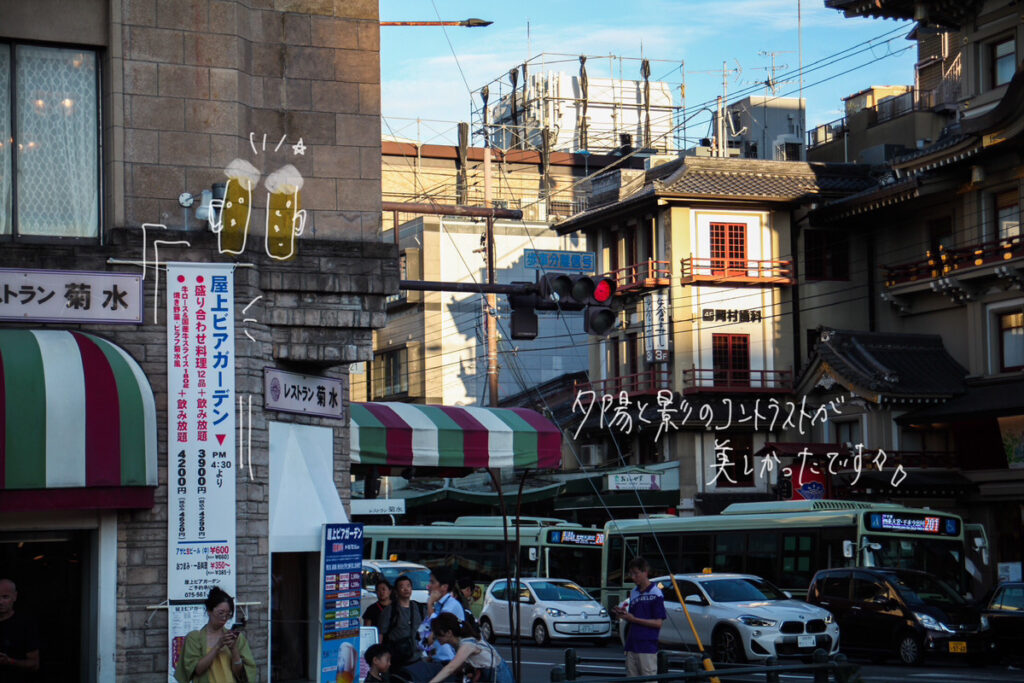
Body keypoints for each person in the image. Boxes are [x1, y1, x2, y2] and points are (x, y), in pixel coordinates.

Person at [174, 587, 258, 683]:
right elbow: (197, 670)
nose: (224, 618)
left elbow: (240, 674)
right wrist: (218, 646)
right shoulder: (194, 638)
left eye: (228, 614)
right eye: (220, 613)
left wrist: (234, 650)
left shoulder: (236, 638)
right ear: (209, 610)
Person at [403, 569, 467, 682]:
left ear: (444, 587)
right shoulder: (439, 605)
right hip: (435, 659)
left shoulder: (451, 605)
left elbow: (437, 627)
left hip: (448, 660)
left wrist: (429, 604)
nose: (429, 586)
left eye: (432, 582)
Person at [612, 557, 665, 679]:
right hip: (632, 644)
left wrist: (633, 619)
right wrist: (623, 615)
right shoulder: (634, 592)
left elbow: (658, 623)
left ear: (645, 572)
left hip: (647, 645)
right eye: (631, 574)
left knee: (648, 678)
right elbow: (632, 617)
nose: (633, 577)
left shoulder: (656, 593)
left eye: (636, 573)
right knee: (631, 677)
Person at [426, 613, 513, 683]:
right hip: (488, 674)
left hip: (498, 675)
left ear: (449, 633)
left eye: (438, 634)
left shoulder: (466, 644)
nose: (436, 638)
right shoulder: (460, 642)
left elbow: (451, 667)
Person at [377, 575, 426, 677]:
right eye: (402, 586)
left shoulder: (419, 608)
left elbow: (428, 629)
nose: (406, 589)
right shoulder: (390, 611)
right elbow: (381, 634)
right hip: (397, 658)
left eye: (408, 586)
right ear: (396, 591)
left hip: (417, 657)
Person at [0, 578, 39, 683]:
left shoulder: (25, 625)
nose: (0, 602)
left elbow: (34, 664)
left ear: (15, 597)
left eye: (5, 597)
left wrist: (9, 661)